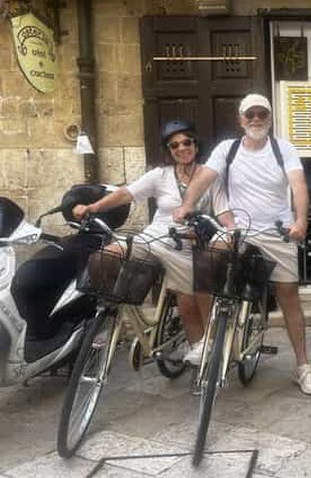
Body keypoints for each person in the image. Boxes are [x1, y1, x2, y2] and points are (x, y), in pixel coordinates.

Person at [173, 93, 311, 395]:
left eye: (262, 114)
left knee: (289, 295)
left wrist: (301, 221)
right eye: (250, 114)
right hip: (239, 229)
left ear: (269, 118)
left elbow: (299, 186)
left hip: (277, 231)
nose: (256, 119)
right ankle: (208, 342)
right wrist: (187, 203)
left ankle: (303, 367)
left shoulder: (284, 149)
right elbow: (204, 177)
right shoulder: (227, 150)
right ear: (241, 119)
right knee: (206, 261)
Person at [73, 120, 226, 365]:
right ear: (169, 150)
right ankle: (107, 317)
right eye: (174, 145)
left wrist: (223, 231)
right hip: (152, 239)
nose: (181, 148)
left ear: (196, 144)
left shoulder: (210, 176)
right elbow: (126, 194)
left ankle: (201, 348)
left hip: (186, 246)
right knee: (103, 258)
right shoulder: (160, 175)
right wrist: (93, 207)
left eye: (186, 142)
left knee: (188, 298)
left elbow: (222, 211)